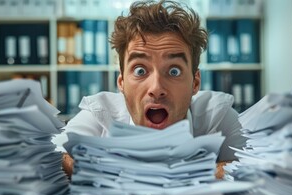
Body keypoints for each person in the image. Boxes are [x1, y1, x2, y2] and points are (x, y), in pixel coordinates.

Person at [54, 0, 246, 178]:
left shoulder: (219, 117)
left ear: (195, 83)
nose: (156, 88)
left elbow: (251, 168)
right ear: (121, 83)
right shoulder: (100, 114)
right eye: (140, 70)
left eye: (174, 71)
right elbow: (53, 156)